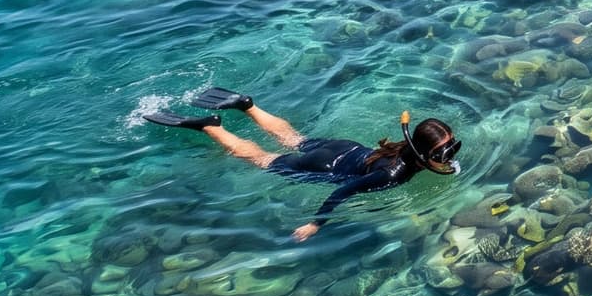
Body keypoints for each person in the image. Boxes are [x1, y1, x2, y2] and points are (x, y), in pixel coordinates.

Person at [146, 89, 460, 242]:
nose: (450, 156)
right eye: (445, 151)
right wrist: (316, 223)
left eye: (452, 148)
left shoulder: (403, 150)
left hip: (345, 148)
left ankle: (248, 105)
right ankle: (210, 127)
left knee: (294, 138)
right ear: (422, 153)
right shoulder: (392, 174)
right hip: (328, 167)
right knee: (263, 159)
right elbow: (344, 191)